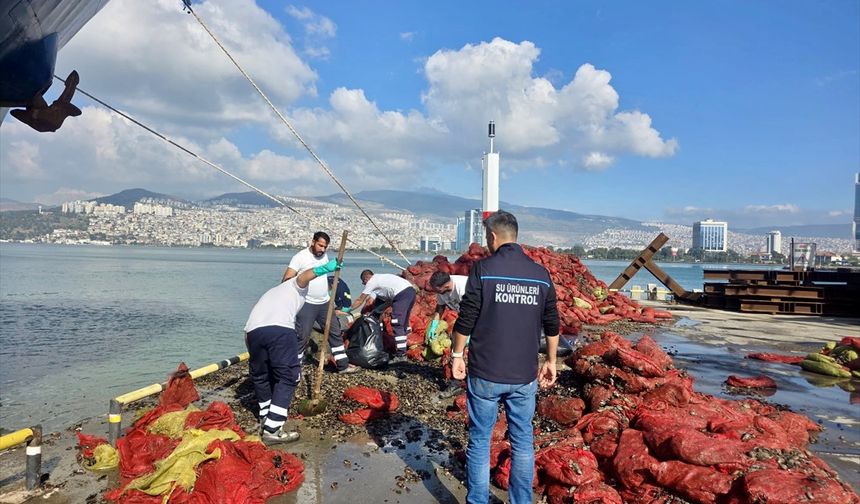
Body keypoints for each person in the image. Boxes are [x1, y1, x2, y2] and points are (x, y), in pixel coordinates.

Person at [450, 210, 560, 504]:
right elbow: (552, 323)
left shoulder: (483, 270)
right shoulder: (541, 275)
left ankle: (478, 501)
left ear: (493, 236)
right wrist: (551, 362)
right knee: (523, 442)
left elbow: (467, 316)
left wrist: (457, 355)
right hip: (524, 376)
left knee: (480, 442)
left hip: (486, 372)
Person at [245, 257, 341, 443]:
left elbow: (250, 331)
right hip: (279, 330)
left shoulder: (271, 292)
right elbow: (304, 277)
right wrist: (326, 268)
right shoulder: (294, 286)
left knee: (261, 375)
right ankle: (273, 430)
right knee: (289, 377)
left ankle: (266, 416)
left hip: (252, 332)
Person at [283, 232, 355, 373]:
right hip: (306, 302)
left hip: (324, 302)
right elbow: (286, 279)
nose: (322, 249)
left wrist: (334, 267)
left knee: (335, 331)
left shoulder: (324, 256)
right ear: (312, 242)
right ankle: (294, 369)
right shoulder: (300, 257)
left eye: (325, 247)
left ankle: (343, 365)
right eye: (320, 245)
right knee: (302, 336)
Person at [349, 270, 416, 363]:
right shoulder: (381, 278)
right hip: (410, 291)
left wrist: (348, 310)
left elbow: (360, 299)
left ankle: (401, 355)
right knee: (403, 323)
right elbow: (382, 304)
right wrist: (374, 315)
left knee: (397, 323)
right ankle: (404, 348)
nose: (363, 284)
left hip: (402, 294)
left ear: (366, 278)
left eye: (363, 282)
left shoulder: (372, 281)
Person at [428, 271, 468, 396]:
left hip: (482, 318)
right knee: (455, 348)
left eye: (438, 291)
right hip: (464, 318)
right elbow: (440, 307)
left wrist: (469, 334)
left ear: (446, 286)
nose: (437, 293)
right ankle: (455, 383)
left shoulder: (464, 288)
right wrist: (434, 325)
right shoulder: (442, 290)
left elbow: (478, 310)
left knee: (471, 351)